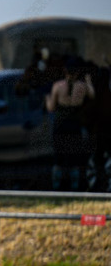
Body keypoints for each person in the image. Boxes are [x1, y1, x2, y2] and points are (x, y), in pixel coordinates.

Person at [45, 57, 95, 190]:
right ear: (77, 72)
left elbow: (51, 108)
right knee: (74, 159)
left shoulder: (57, 86)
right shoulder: (82, 86)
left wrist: (47, 98)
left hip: (60, 125)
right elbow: (92, 95)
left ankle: (57, 187)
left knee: (59, 158)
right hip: (74, 125)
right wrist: (88, 81)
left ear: (65, 70)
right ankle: (74, 187)